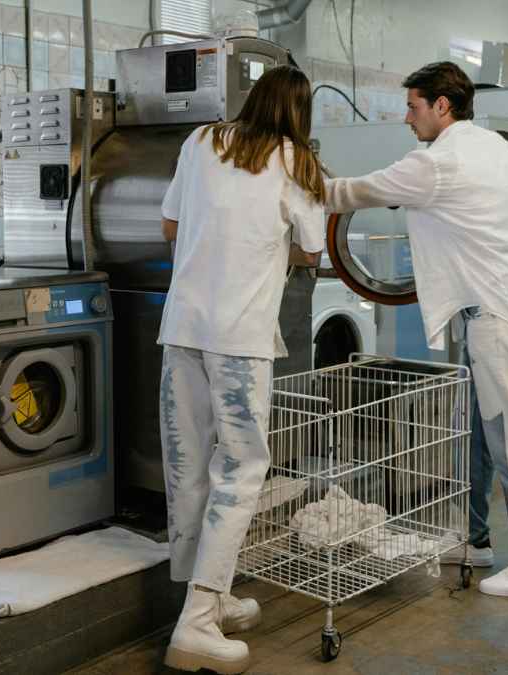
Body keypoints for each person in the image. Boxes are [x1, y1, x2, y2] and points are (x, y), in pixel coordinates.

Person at [324, 61, 508, 597]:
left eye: (412, 107)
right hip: (504, 311)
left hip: (499, 319)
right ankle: (476, 541)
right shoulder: (495, 147)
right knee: (482, 435)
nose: (407, 119)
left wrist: (291, 182)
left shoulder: (439, 162)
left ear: (442, 106)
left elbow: (352, 193)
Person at [157, 65, 326, 674]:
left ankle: (207, 595)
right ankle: (199, 623)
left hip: (182, 329)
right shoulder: (297, 163)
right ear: (300, 114)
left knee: (190, 464)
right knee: (242, 468)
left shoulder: (201, 141)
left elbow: (171, 225)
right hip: (238, 338)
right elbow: (312, 249)